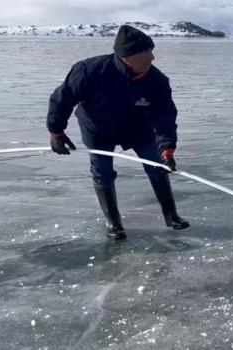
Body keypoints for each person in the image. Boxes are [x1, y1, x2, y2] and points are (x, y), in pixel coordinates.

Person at [46, 24, 189, 240]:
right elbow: (62, 99)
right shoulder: (90, 71)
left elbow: (164, 116)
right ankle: (113, 223)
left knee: (157, 166)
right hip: (98, 129)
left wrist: (167, 148)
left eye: (152, 50)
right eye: (146, 52)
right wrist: (56, 131)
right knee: (102, 171)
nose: (152, 57)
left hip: (137, 127)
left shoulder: (156, 80)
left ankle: (171, 215)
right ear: (127, 57)